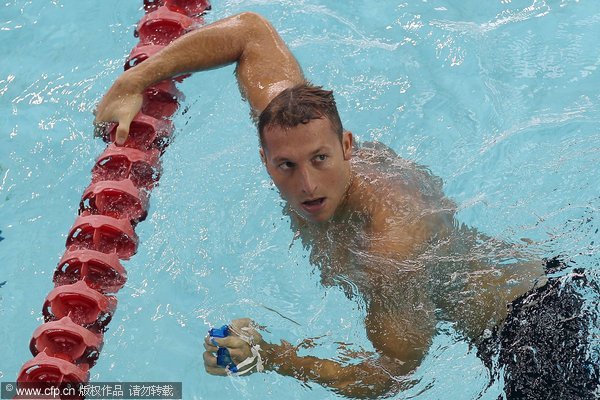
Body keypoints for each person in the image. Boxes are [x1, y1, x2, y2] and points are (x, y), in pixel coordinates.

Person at [94, 12, 596, 399]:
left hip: (533, 325)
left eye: (320, 159)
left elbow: (391, 375)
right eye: (286, 166)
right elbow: (248, 33)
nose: (308, 184)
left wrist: (272, 355)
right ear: (264, 159)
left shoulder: (390, 248)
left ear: (347, 146)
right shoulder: (294, 119)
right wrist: (134, 81)